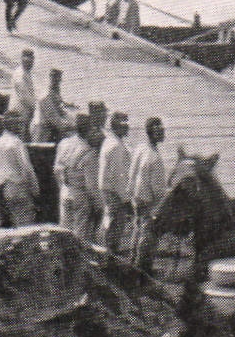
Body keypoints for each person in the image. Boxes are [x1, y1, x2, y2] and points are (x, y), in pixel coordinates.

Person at [128, 117, 168, 269]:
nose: (163, 133)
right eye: (160, 131)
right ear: (153, 133)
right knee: (148, 236)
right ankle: (142, 269)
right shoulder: (155, 158)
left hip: (137, 197)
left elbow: (132, 171)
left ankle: (132, 262)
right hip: (148, 202)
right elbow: (158, 190)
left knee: (137, 231)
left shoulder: (140, 148)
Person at [54, 115, 101, 245]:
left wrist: (63, 186)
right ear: (88, 130)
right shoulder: (89, 151)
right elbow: (91, 186)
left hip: (65, 191)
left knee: (64, 232)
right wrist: (99, 206)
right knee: (80, 239)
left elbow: (56, 169)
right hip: (80, 195)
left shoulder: (64, 144)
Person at [0, 112, 41, 227]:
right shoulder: (16, 143)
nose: (20, 127)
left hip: (6, 189)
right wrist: (35, 190)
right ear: (10, 125)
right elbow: (27, 168)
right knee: (27, 225)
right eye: (18, 124)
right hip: (19, 188)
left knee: (16, 224)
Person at [97, 112, 134, 254]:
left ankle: (106, 252)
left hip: (107, 189)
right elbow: (120, 175)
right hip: (114, 192)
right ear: (115, 126)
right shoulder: (116, 146)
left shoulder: (109, 141)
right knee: (116, 227)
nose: (127, 128)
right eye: (124, 125)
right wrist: (126, 199)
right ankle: (110, 256)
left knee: (109, 222)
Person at [34, 68, 73, 144]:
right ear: (51, 78)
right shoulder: (46, 96)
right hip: (43, 133)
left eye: (59, 78)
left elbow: (60, 108)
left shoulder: (54, 91)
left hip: (51, 128)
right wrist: (72, 126)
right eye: (55, 78)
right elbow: (54, 119)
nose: (58, 81)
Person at [6, 48, 37, 118]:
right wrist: (37, 107)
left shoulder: (27, 73)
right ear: (23, 61)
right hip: (17, 112)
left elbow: (31, 93)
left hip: (23, 110)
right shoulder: (20, 74)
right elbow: (24, 96)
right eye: (28, 62)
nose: (31, 64)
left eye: (32, 61)